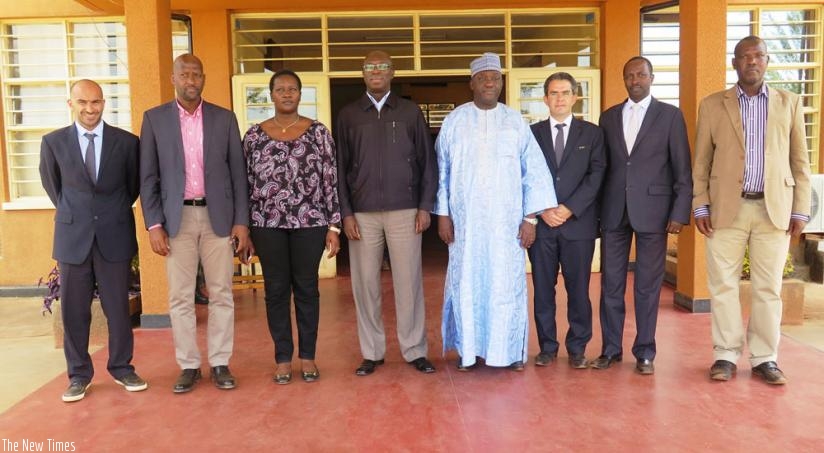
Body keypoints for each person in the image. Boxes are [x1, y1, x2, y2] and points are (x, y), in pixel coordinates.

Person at [693, 35, 811, 385]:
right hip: (725, 209)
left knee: (768, 288)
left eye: (758, 55)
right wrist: (700, 205)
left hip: (773, 209)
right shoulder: (712, 105)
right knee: (722, 286)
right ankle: (725, 354)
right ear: (735, 63)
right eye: (744, 56)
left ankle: (764, 358)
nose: (752, 61)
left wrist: (800, 210)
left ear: (767, 60)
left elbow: (800, 162)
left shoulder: (789, 102)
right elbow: (701, 162)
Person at [435, 52, 557, 371]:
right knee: (467, 285)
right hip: (466, 226)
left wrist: (530, 219)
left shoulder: (515, 122)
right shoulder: (455, 121)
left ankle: (510, 351)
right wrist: (443, 214)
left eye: (495, 78)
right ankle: (469, 352)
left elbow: (533, 173)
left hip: (507, 227)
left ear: (501, 84)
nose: (489, 83)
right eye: (483, 78)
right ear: (472, 83)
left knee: (506, 286)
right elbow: (442, 171)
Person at [140, 54, 251, 393]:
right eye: (184, 74)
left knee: (221, 293)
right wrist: (154, 224)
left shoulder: (224, 118)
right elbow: (148, 177)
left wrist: (241, 222)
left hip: (219, 217)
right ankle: (188, 365)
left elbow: (238, 174)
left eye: (196, 74)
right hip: (177, 219)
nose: (191, 80)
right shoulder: (154, 120)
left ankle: (220, 362)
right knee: (180, 297)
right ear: (173, 78)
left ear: (203, 78)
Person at [40, 79, 147, 402]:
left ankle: (122, 367)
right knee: (74, 311)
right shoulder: (53, 143)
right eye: (83, 102)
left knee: (118, 309)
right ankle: (78, 375)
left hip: (114, 235)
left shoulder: (127, 143)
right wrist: (79, 214)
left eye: (96, 102)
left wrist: (106, 213)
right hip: (73, 237)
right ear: (70, 104)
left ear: (104, 103)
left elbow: (132, 187)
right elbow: (54, 188)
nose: (90, 108)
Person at [336, 50, 438, 376]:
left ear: (392, 72)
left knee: (409, 284)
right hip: (362, 214)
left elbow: (427, 162)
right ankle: (372, 352)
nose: (376, 71)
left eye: (382, 66)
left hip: (405, 211)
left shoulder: (409, 112)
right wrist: (346, 213)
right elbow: (339, 168)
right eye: (370, 66)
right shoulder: (349, 115)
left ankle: (415, 349)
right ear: (363, 73)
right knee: (365, 285)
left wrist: (425, 206)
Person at [595, 56, 692, 375]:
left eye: (641, 75)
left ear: (651, 78)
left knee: (647, 287)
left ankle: (645, 352)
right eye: (629, 75)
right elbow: (603, 167)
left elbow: (682, 168)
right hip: (613, 211)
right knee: (611, 284)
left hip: (655, 212)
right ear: (623, 79)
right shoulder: (608, 117)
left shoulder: (670, 116)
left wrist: (679, 211)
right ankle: (610, 349)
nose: (635, 80)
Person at [244, 69, 341, 384]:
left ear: (300, 94)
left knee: (307, 288)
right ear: (271, 95)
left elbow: (330, 180)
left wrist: (334, 226)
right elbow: (244, 183)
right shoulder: (254, 136)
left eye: (292, 89)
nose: (286, 94)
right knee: (275, 290)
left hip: (310, 221)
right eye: (280, 89)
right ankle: (283, 358)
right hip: (266, 223)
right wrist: (244, 227)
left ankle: (308, 356)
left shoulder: (318, 133)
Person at [528, 72, 606, 369]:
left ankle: (577, 348)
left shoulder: (592, 134)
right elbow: (525, 174)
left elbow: (597, 174)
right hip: (543, 225)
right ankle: (547, 347)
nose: (559, 98)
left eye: (564, 93)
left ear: (575, 97)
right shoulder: (532, 134)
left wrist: (570, 208)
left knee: (579, 290)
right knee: (542, 290)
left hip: (578, 225)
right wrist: (543, 209)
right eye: (553, 93)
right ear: (545, 99)